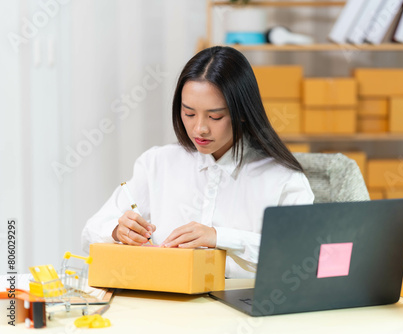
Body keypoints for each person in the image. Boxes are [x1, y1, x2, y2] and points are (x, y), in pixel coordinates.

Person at [81, 46, 314, 278]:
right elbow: (91, 230)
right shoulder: (157, 164)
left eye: (215, 116)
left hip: (244, 307)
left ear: (242, 112)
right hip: (168, 303)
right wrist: (117, 231)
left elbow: (301, 256)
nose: (199, 128)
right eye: (189, 113)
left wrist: (219, 237)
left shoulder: (282, 178)